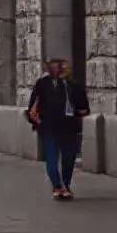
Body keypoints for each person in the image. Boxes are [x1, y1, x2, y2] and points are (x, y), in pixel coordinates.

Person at [27, 58, 89, 200]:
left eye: (65, 67)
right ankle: (57, 186)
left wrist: (79, 112)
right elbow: (33, 104)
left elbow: (84, 107)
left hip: (69, 126)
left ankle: (65, 185)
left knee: (69, 157)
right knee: (52, 156)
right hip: (49, 125)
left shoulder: (74, 86)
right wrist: (35, 118)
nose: (63, 70)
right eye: (59, 67)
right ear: (51, 70)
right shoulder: (43, 84)